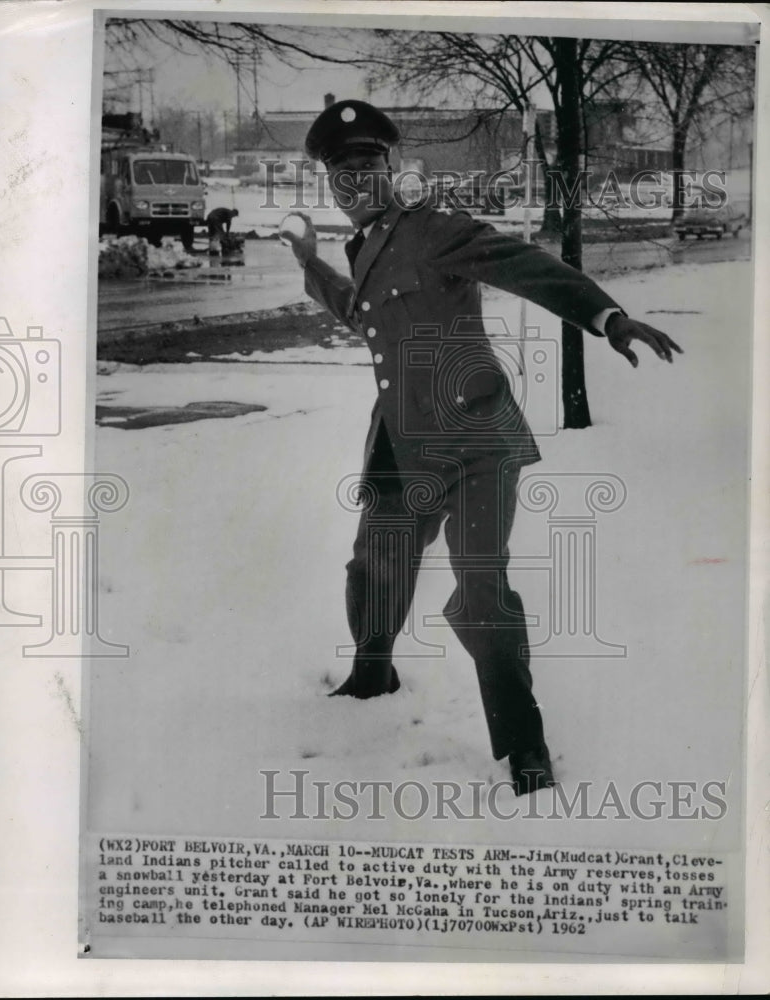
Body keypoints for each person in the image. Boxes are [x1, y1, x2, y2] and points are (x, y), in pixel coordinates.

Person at [283, 100, 682, 795]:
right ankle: (371, 672)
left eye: (367, 167)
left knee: (479, 591)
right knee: (374, 564)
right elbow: (359, 314)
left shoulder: (436, 229)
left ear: (392, 168)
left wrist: (606, 317)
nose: (355, 184)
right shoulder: (366, 245)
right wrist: (309, 261)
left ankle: (525, 748)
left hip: (472, 441)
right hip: (401, 441)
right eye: (340, 175)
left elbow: (524, 265)